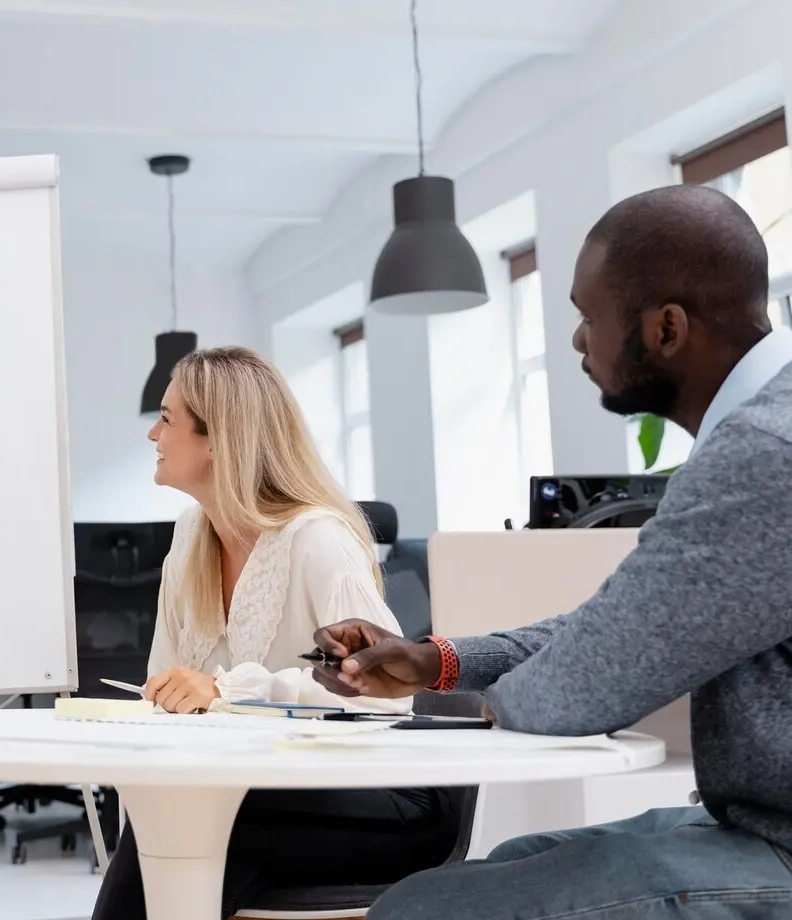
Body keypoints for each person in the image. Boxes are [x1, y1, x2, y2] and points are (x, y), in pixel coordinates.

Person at [312, 184, 792, 919]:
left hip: (777, 845)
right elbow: (618, 626)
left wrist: (453, 707)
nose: (575, 341)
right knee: (504, 865)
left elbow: (591, 680)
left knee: (421, 912)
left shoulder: (764, 452)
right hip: (758, 828)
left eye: (585, 316)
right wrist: (435, 661)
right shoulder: (763, 432)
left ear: (666, 329)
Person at [91, 346, 459, 920]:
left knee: (180, 828)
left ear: (218, 439)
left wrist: (226, 692)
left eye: (166, 418)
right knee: (179, 829)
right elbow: (162, 685)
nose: (152, 435)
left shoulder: (317, 540)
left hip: (387, 799)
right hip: (264, 797)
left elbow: (390, 690)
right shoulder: (189, 539)